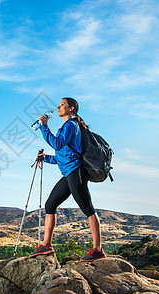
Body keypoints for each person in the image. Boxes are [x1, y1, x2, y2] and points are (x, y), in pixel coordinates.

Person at [29, 97, 105, 262]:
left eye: (62, 104)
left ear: (71, 109)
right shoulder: (66, 127)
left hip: (76, 172)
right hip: (69, 173)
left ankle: (98, 249)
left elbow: (57, 144)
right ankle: (46, 245)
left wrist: (44, 127)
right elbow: (61, 155)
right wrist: (45, 158)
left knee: (87, 209)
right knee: (50, 204)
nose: (58, 107)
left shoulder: (71, 125)